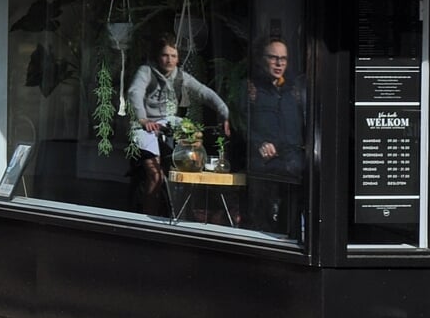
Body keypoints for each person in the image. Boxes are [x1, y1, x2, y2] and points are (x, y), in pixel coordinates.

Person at [125, 33, 229, 217]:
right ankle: (147, 220)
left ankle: (185, 212)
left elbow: (203, 92)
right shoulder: (146, 71)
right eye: (165, 55)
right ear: (158, 56)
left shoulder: (180, 76)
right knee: (155, 175)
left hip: (168, 123)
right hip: (145, 125)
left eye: (173, 56)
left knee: (192, 145)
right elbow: (135, 92)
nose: (169, 60)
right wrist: (143, 119)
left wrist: (223, 112)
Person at [240, 38, 306, 237]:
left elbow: (301, 128)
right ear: (262, 59)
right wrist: (258, 143)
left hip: (292, 168)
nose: (279, 64)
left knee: (290, 228)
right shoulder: (251, 88)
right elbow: (241, 124)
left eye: (283, 59)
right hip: (263, 168)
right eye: (273, 58)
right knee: (261, 227)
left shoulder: (294, 91)